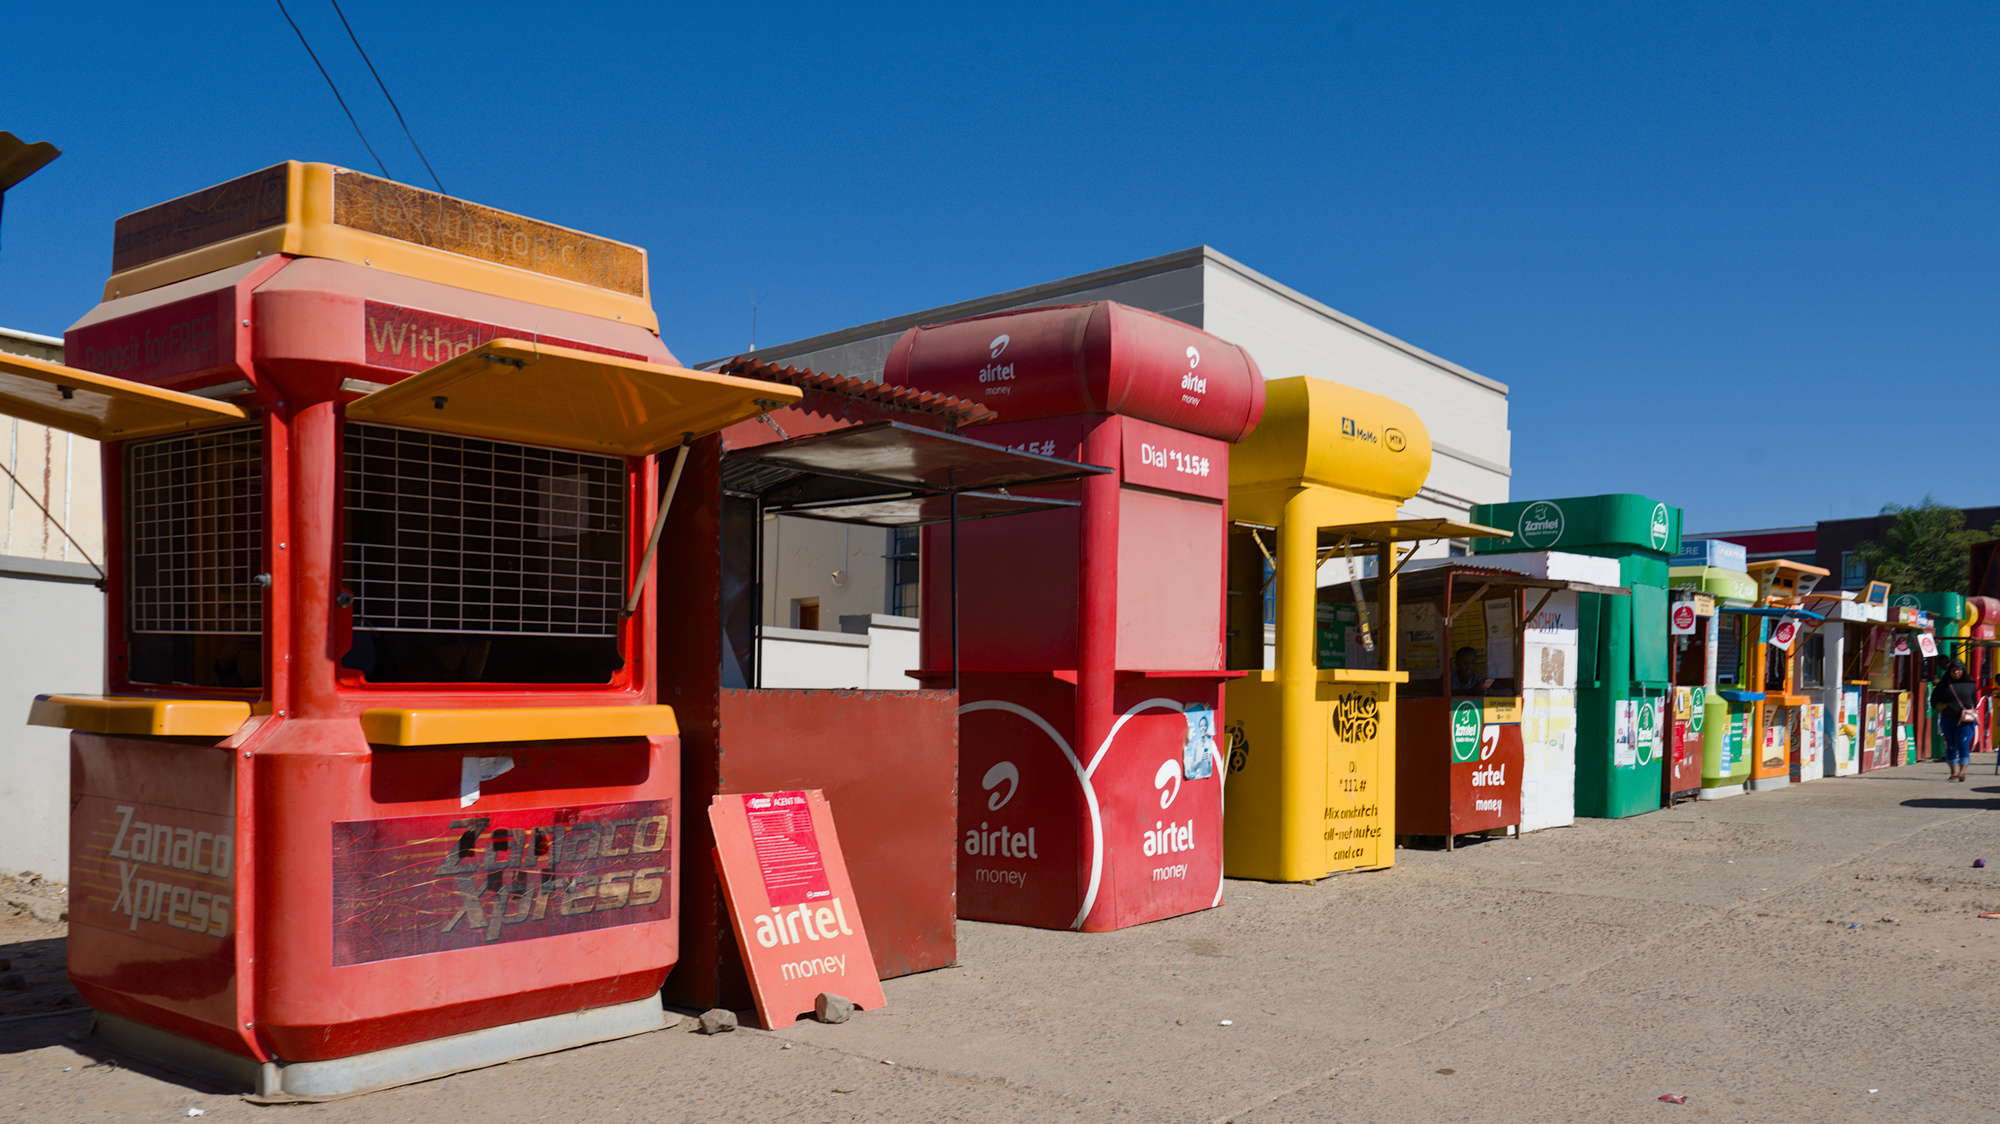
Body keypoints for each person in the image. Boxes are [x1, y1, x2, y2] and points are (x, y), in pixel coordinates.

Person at [1931, 658, 1979, 782]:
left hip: (1966, 721)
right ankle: (1953, 772)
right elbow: (1933, 702)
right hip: (1948, 719)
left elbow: (1974, 701)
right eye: (1953, 670)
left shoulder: (1970, 684)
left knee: (1963, 744)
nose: (1956, 672)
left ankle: (1962, 772)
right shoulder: (1943, 685)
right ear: (1949, 671)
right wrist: (1944, 706)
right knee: (1951, 746)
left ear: (1963, 670)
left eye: (1958, 670)